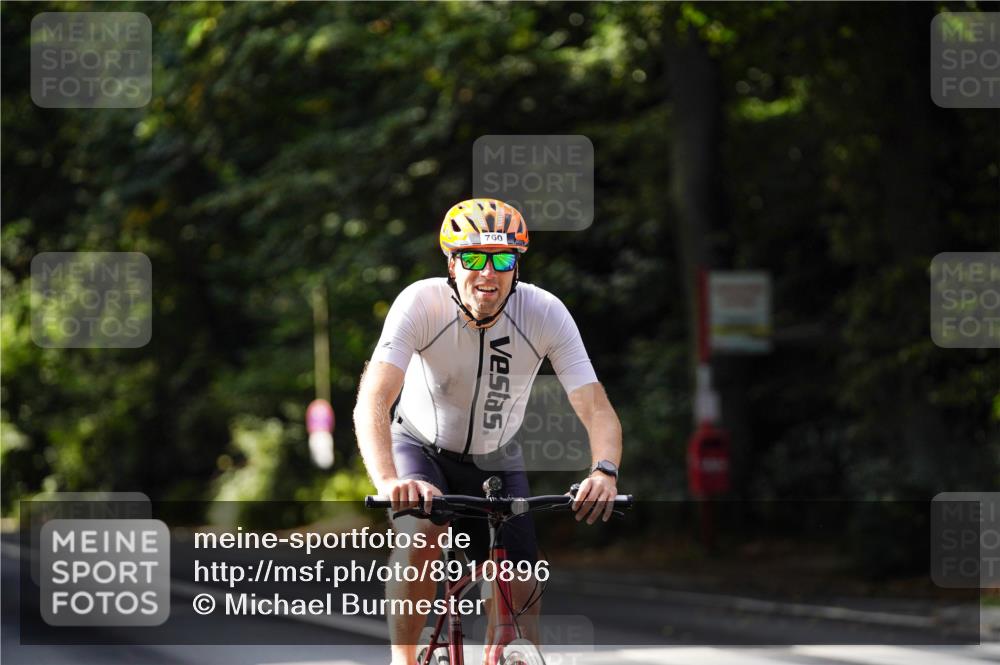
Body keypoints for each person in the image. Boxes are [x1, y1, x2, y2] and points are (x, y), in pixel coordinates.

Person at [354, 198, 622, 665]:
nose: (488, 273)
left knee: (520, 584)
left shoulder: (545, 312)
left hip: (495, 457)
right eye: (474, 258)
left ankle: (511, 654)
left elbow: (596, 407)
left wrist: (604, 471)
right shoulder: (420, 303)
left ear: (516, 266)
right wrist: (388, 482)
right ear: (452, 264)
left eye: (502, 260)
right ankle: (402, 658)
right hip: (420, 447)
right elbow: (373, 401)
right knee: (420, 534)